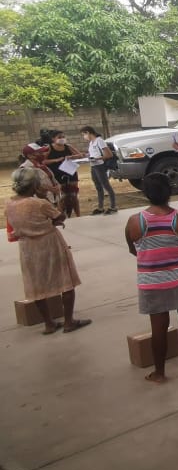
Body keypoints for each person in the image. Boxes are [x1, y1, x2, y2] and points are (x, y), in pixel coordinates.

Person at [124, 173, 178, 381]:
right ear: (169, 192)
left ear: (145, 193)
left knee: (158, 327)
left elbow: (133, 249)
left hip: (151, 280)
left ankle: (160, 372)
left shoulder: (135, 221)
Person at [7, 167, 89, 335]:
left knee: (36, 285)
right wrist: (50, 199)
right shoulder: (40, 203)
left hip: (28, 248)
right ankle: (68, 322)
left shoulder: (10, 204)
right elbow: (60, 216)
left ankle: (49, 323)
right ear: (35, 186)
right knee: (66, 281)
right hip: (49, 244)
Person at [44, 130, 83, 218]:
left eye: (63, 137)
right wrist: (56, 160)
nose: (62, 139)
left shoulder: (68, 146)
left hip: (70, 172)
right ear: (53, 139)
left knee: (73, 195)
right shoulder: (49, 148)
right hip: (57, 174)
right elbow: (44, 161)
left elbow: (80, 155)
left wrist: (72, 157)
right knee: (62, 197)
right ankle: (60, 215)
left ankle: (78, 215)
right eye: (59, 137)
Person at [80, 126, 118, 215]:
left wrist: (97, 159)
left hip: (100, 166)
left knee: (106, 186)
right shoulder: (91, 142)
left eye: (84, 134)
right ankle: (100, 207)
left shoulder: (99, 141)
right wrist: (86, 155)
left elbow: (109, 155)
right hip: (93, 166)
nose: (84, 137)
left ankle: (113, 207)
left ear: (88, 132)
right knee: (98, 186)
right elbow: (93, 153)